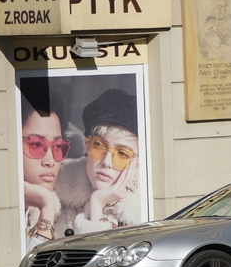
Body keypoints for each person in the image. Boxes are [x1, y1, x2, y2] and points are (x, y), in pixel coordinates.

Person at [55, 89, 141, 236]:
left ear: (136, 163)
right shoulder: (58, 195)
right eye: (98, 146)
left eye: (122, 153)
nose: (107, 162)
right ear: (87, 146)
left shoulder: (143, 209)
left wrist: (97, 204)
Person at [21, 89, 70, 252]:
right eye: (36, 145)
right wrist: (47, 204)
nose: (50, 161)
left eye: (57, 147)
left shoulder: (66, 211)